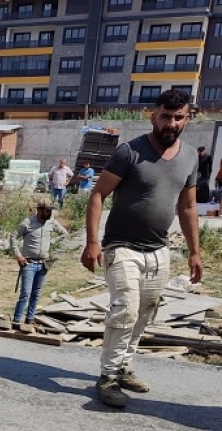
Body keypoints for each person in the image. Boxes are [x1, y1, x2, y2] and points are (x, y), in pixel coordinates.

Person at [81, 89, 201, 408]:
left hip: (158, 250)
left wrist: (195, 252)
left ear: (187, 118)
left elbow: (188, 208)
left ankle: (123, 368)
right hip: (121, 246)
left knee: (144, 314)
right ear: (153, 115)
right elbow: (97, 195)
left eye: (178, 117)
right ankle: (107, 377)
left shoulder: (190, 157)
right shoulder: (128, 152)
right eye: (165, 116)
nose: (171, 123)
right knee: (125, 310)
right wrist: (92, 242)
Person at [10, 197, 67, 324]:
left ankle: (29, 320)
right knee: (25, 294)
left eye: (50, 211)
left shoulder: (51, 222)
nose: (49, 213)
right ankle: (17, 320)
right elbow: (13, 237)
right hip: (28, 263)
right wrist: (19, 256)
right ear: (40, 210)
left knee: (36, 294)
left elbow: (64, 233)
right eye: (47, 211)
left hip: (43, 264)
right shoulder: (28, 223)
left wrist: (51, 242)